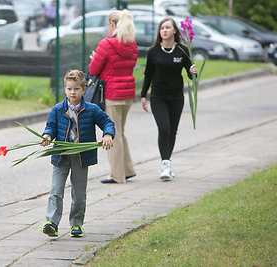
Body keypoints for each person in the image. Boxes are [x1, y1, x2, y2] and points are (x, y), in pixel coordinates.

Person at [39, 69, 115, 237]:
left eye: (76, 89)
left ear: (83, 90)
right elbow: (50, 127)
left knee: (79, 194)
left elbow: (107, 122)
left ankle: (76, 224)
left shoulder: (92, 109)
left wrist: (108, 135)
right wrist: (47, 136)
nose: (72, 92)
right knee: (56, 191)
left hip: (82, 157)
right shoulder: (57, 110)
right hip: (61, 156)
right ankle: (51, 222)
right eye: (69, 89)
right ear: (65, 90)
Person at [140, 17, 197, 180]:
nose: (164, 30)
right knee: (164, 128)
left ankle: (167, 161)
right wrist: (143, 95)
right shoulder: (153, 52)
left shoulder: (182, 50)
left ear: (174, 31)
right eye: (161, 28)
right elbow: (148, 75)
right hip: (158, 96)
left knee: (172, 131)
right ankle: (165, 163)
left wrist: (193, 72)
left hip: (176, 97)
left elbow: (191, 75)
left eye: (167, 28)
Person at [88, 10, 138, 184]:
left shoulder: (106, 43)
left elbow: (94, 70)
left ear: (111, 23)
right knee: (120, 132)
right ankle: (127, 170)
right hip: (128, 93)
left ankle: (117, 175)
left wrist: (95, 58)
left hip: (111, 94)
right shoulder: (131, 43)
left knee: (112, 134)